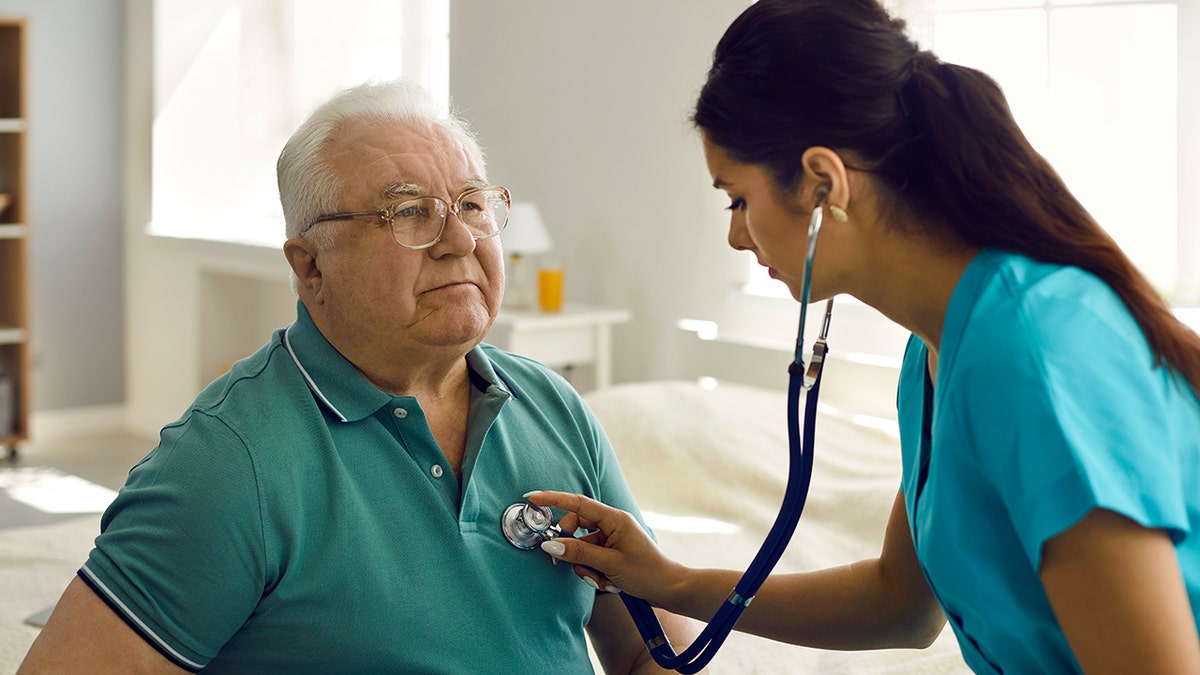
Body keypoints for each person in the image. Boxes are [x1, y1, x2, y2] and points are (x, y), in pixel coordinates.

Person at [528, 1, 1200, 673]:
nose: (735, 234)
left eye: (736, 198)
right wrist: (669, 580)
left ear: (824, 184)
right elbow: (899, 604)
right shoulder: (934, 350)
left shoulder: (1035, 350)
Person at [18, 80, 695, 674]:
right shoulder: (225, 463)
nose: (458, 239)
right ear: (310, 265)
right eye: (408, 212)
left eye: (471, 205)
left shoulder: (554, 407)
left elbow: (650, 652)